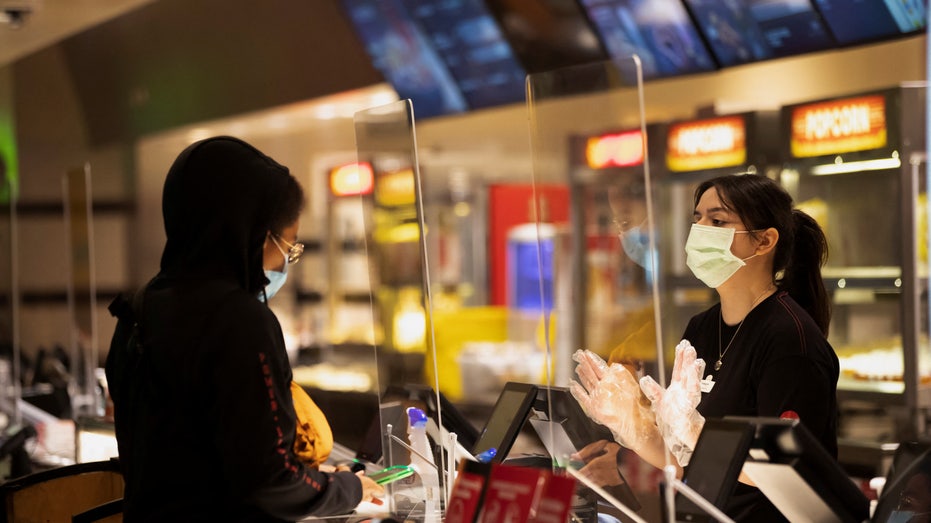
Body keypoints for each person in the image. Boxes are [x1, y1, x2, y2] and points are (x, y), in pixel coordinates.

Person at [105, 136, 382, 521]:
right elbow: (270, 482)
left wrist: (314, 482)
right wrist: (346, 488)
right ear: (252, 235)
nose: (286, 263)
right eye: (288, 247)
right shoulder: (239, 322)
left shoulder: (139, 307)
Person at [572, 173, 838, 522]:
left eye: (717, 220)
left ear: (763, 241)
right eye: (696, 218)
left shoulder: (790, 339)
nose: (699, 230)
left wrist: (697, 434)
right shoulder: (702, 327)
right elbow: (683, 465)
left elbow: (785, 476)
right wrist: (634, 428)